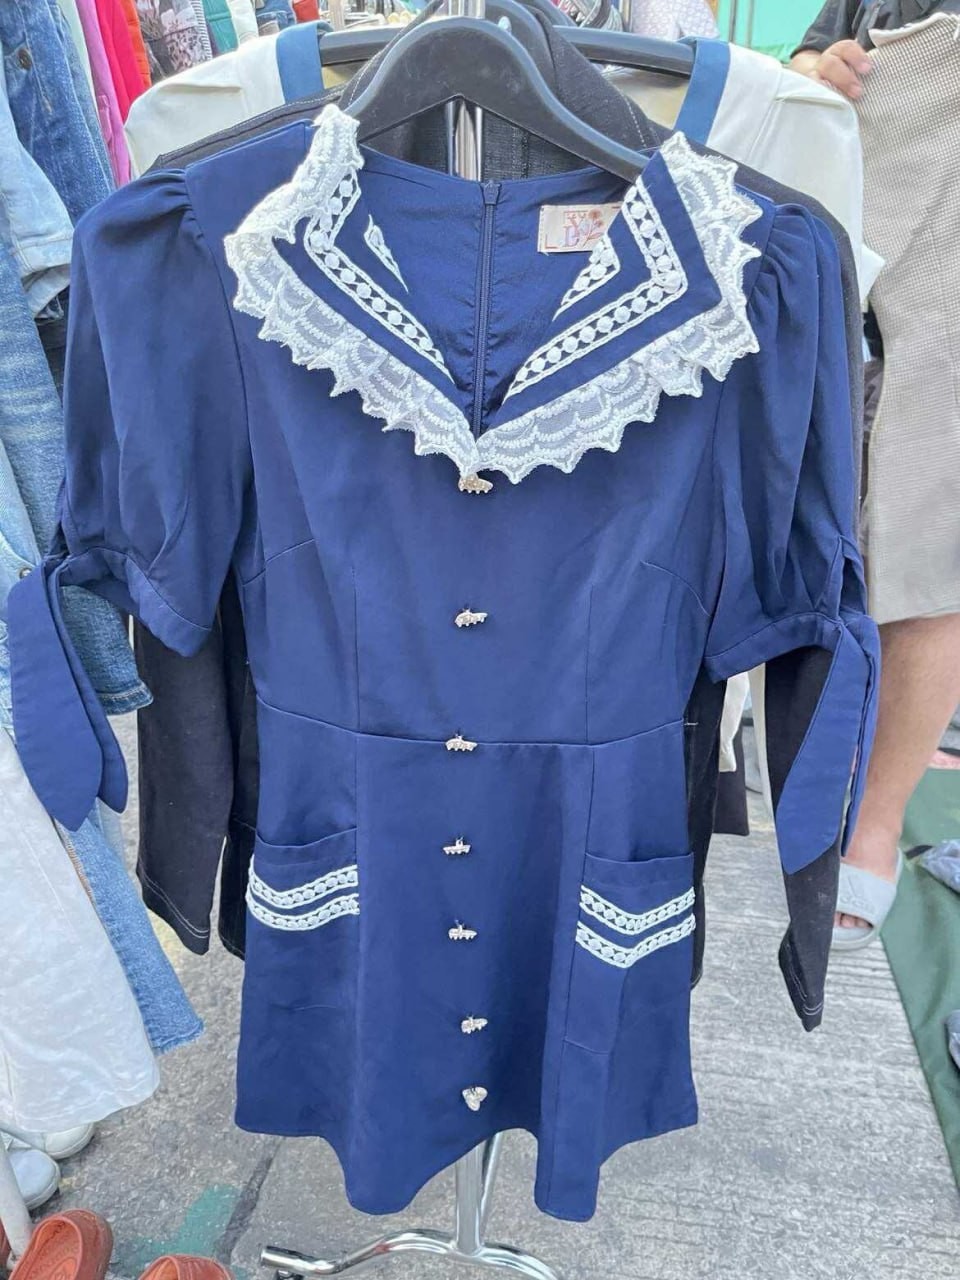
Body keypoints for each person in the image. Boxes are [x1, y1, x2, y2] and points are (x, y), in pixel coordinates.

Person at [790, 0, 960, 947]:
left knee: (934, 523)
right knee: (789, 482)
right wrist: (821, 70)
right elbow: (817, 45)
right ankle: (813, 775)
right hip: (860, 166)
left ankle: (878, 820)